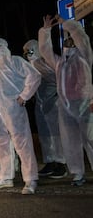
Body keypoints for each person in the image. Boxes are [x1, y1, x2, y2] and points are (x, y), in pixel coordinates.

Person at [38, 15, 93, 186]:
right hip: (65, 108)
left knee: (91, 139)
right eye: (66, 40)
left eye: (71, 40)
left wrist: (67, 25)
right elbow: (45, 50)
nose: (68, 42)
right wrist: (46, 31)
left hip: (84, 104)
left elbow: (81, 36)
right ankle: (77, 173)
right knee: (70, 142)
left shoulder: (84, 56)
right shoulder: (59, 62)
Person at [0, 37, 41, 195]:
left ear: (0, 47)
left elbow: (34, 75)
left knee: (22, 143)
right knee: (2, 144)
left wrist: (24, 96)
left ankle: (30, 179)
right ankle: (6, 177)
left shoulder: (14, 61)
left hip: (13, 109)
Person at [23, 39, 67, 178]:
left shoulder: (45, 63)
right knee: (45, 135)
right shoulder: (30, 65)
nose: (27, 53)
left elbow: (58, 78)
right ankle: (50, 161)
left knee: (56, 134)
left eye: (29, 50)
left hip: (53, 102)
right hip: (40, 104)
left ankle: (61, 164)